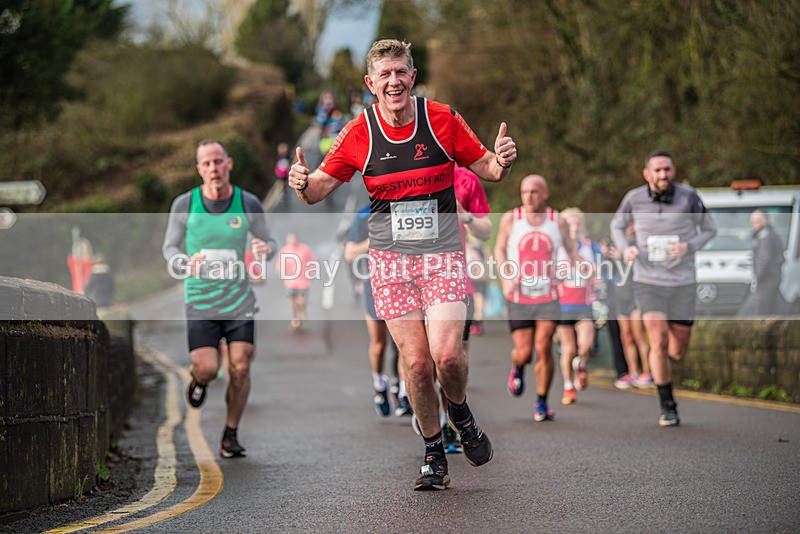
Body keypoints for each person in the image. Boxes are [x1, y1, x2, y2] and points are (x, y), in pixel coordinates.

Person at [288, 39, 516, 490]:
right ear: (370, 84)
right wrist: (300, 181)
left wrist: (504, 160)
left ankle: (460, 412)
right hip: (391, 263)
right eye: (384, 75)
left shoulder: (442, 119)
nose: (393, 81)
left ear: (412, 77)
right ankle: (433, 451)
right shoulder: (358, 132)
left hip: (442, 255)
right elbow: (316, 190)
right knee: (415, 365)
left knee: (446, 354)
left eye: (400, 72)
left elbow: (489, 168)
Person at [162, 139, 276, 458]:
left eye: (218, 161)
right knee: (208, 368)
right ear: (199, 169)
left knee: (241, 365)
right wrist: (184, 262)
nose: (214, 168)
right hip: (201, 301)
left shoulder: (247, 202)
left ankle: (231, 433)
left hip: (239, 300)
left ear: (229, 163)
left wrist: (266, 249)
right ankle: (198, 380)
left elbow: (269, 241)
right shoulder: (185, 204)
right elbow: (169, 246)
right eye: (207, 163)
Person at [610, 150, 716, 427]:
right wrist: (626, 248)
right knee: (657, 341)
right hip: (648, 281)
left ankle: (664, 359)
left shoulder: (688, 197)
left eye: (667, 169)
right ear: (647, 174)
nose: (663, 174)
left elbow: (710, 229)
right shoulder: (634, 198)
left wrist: (689, 246)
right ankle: (667, 406)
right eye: (657, 170)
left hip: (682, 282)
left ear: (674, 170)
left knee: (677, 350)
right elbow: (617, 226)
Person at [494, 175, 578, 422]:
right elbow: (499, 249)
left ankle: (542, 401)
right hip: (519, 296)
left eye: (534, 192)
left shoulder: (557, 221)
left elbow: (571, 250)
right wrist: (505, 276)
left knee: (544, 346)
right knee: (524, 353)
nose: (528, 197)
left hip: (548, 295)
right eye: (524, 192)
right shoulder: (512, 219)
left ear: (545, 194)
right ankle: (518, 366)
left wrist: (582, 269)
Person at [345, 203, 411, 418]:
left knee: (404, 345)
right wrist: (374, 241)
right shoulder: (363, 215)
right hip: (374, 286)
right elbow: (350, 253)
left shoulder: (407, 208)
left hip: (404, 285)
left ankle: (404, 393)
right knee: (379, 345)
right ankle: (379, 385)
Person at [555, 208, 601, 405]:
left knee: (586, 346)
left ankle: (580, 365)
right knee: (569, 349)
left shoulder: (590, 246)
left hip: (584, 305)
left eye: (577, 224)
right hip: (562, 306)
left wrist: (596, 277)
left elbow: (600, 271)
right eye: (569, 224)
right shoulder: (556, 248)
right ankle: (568, 387)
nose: (574, 228)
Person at [600, 234, 653, 390]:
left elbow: (635, 271)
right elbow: (605, 273)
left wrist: (621, 257)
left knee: (638, 336)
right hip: (619, 301)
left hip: (634, 299)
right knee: (626, 337)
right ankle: (633, 372)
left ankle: (647, 372)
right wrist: (605, 254)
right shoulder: (610, 255)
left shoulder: (632, 249)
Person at [275, 233, 316, 331]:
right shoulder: (285, 250)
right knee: (292, 301)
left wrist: (311, 272)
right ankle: (295, 319)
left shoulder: (304, 249)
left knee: (300, 300)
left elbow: (312, 261)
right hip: (290, 282)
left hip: (302, 281)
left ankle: (302, 310)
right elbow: (279, 264)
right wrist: (281, 271)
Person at [750, 209, 784, 315]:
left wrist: (758, 275)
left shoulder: (765, 235)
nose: (754, 225)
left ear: (765, 221)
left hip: (767, 279)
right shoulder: (770, 233)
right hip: (772, 277)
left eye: (757, 221)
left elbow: (764, 258)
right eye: (752, 222)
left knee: (764, 311)